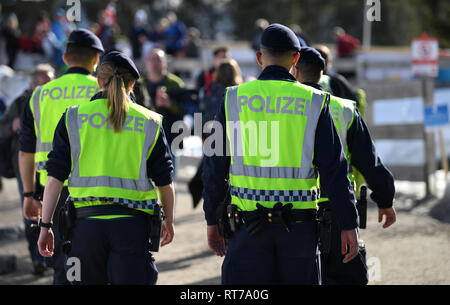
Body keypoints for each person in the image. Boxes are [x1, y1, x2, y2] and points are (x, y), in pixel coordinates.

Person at [202, 23, 359, 285]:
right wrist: (348, 223)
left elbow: (214, 167)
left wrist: (211, 220)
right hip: (299, 233)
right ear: (295, 59)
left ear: (259, 57)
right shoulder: (314, 101)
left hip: (247, 229)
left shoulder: (233, 99)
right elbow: (335, 168)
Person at [37, 51, 175, 285]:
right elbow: (165, 181)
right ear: (132, 84)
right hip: (132, 228)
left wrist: (45, 226)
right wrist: (169, 221)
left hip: (85, 229)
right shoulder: (149, 121)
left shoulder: (73, 117)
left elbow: (54, 179)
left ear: (99, 80)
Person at [292, 46, 396, 285]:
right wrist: (385, 200)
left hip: (296, 208)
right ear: (323, 72)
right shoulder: (346, 109)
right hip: (339, 209)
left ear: (295, 71)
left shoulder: (285, 110)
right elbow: (369, 160)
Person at [19, 28, 104, 284]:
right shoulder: (106, 93)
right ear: (97, 60)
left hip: (53, 193)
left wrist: (28, 195)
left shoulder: (40, 95)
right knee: (98, 266)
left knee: (64, 266)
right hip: (97, 191)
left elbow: (26, 152)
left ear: (65, 58)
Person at [0, 64, 54, 275]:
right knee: (32, 212)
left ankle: (54, 255)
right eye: (43, 81)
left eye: (50, 80)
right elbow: (2, 128)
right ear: (32, 84)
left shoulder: (57, 101)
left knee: (53, 210)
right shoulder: (21, 102)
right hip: (27, 167)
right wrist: (12, 125)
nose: (48, 85)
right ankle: (37, 258)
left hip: (52, 167)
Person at [188, 58, 243, 209]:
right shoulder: (240, 94)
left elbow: (201, 115)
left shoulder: (210, 92)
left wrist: (203, 138)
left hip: (213, 141)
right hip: (235, 144)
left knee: (214, 179)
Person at [133, 48, 185, 164]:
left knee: (169, 178)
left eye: (159, 60)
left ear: (165, 63)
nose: (155, 63)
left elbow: (187, 109)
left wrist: (170, 104)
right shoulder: (139, 84)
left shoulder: (175, 83)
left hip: (170, 137)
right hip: (144, 137)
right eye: (152, 59)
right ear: (147, 62)